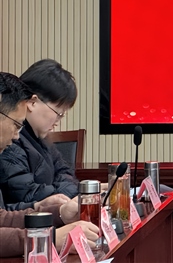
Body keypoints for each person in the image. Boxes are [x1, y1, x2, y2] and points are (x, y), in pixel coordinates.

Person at [0, 72, 98, 258]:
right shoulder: (11, 149)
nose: (16, 136)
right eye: (16, 125)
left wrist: (59, 213)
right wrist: (50, 238)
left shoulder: (41, 140)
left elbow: (2, 217)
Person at [0, 59, 80, 209]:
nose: (58, 122)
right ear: (33, 102)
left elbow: (66, 172)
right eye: (59, 113)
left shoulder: (41, 138)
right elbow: (27, 194)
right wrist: (63, 190)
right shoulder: (8, 139)